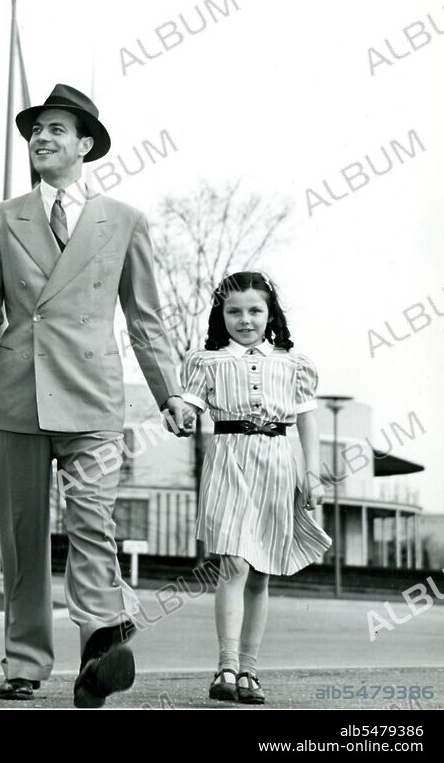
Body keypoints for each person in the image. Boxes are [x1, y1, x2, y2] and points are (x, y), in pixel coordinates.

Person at [0, 84, 194, 707]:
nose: (42, 137)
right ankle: (25, 663)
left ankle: (99, 645)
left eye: (56, 129)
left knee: (93, 521)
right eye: (36, 129)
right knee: (23, 536)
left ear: (86, 144)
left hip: (93, 398)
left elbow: (146, 319)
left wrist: (171, 392)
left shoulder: (125, 221)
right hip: (19, 394)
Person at [180, 272, 330, 705]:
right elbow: (187, 408)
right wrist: (179, 415)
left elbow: (307, 422)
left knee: (260, 573)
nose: (244, 320)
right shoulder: (205, 362)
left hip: (277, 465)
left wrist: (312, 475)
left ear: (270, 314)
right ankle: (226, 667)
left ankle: (249, 671)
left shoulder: (293, 364)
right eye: (234, 311)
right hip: (228, 461)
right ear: (221, 315)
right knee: (233, 564)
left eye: (254, 310)